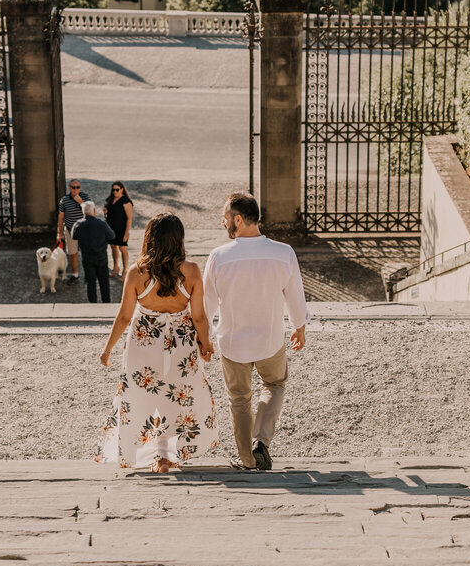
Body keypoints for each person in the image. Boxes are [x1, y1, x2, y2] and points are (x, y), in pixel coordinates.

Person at [97, 213, 218, 473]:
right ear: (179, 239)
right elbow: (198, 316)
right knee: (179, 395)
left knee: (141, 396)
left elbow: (124, 317)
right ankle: (166, 455)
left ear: (150, 238)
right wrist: (205, 345)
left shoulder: (136, 273)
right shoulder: (192, 271)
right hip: (181, 345)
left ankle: (147, 454)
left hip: (143, 344)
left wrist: (108, 349)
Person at [202, 192, 308, 471]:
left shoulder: (219, 257)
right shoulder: (283, 253)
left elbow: (206, 304)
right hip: (270, 339)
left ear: (238, 219)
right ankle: (261, 441)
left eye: (225, 218)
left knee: (239, 399)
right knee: (274, 385)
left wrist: (205, 339)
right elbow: (295, 295)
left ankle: (247, 460)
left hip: (233, 342)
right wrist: (300, 327)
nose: (223, 223)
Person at [71, 201, 117, 303]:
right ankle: (106, 303)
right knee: (104, 283)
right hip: (101, 256)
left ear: (83, 212)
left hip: (87, 257)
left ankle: (93, 304)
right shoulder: (102, 224)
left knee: (90, 283)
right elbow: (112, 236)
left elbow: (73, 236)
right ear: (94, 211)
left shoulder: (78, 224)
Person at [56, 179, 84, 283]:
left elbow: (91, 211)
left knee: (87, 254)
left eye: (78, 187)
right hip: (70, 230)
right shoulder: (64, 200)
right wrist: (59, 233)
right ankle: (75, 275)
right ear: (69, 188)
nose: (75, 189)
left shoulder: (85, 197)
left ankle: (90, 275)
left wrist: (81, 202)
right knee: (73, 254)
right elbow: (61, 217)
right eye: (73, 187)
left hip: (83, 231)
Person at [104, 181, 134, 278]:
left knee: (122, 248)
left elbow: (129, 218)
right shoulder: (110, 199)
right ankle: (116, 267)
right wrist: (105, 211)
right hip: (111, 228)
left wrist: (126, 233)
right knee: (113, 247)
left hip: (121, 229)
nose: (115, 192)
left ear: (122, 189)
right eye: (113, 190)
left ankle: (125, 271)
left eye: (117, 190)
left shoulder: (126, 201)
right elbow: (107, 213)